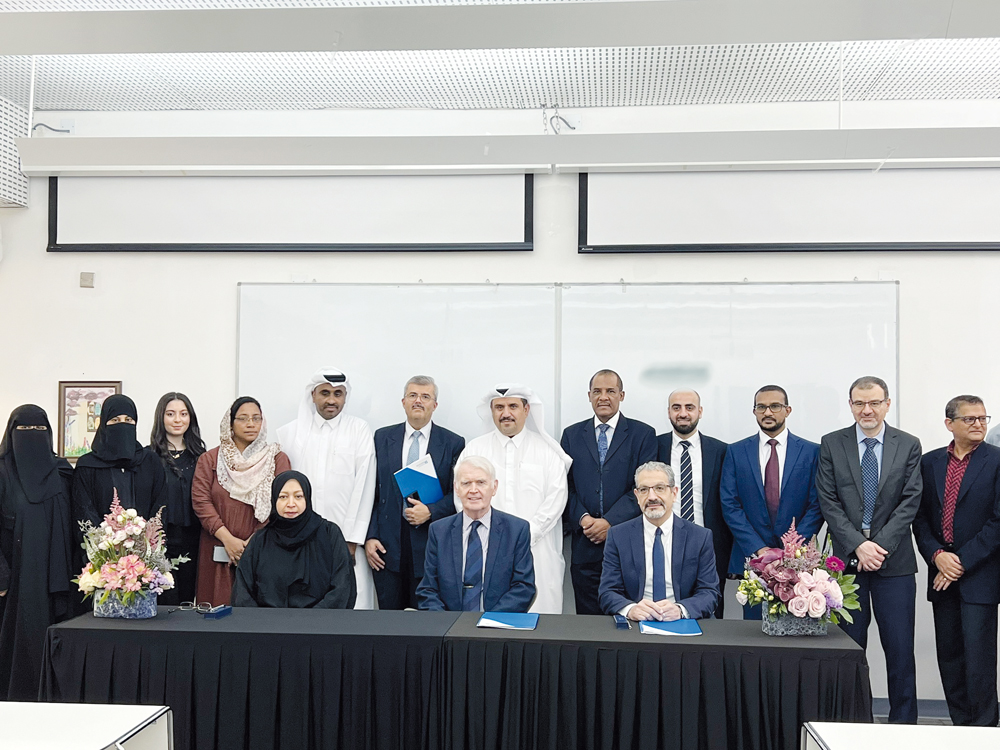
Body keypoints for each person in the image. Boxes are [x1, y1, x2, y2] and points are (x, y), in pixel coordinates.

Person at [816, 375, 921, 724]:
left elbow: (910, 502)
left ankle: (903, 725)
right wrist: (859, 545)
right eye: (859, 403)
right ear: (850, 405)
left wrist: (877, 547)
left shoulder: (908, 444)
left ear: (887, 404)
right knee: (848, 649)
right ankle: (851, 721)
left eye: (874, 402)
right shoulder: (832, 443)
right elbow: (828, 502)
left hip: (895, 564)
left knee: (900, 650)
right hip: (846, 564)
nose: (867, 409)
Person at [912, 395, 1000, 726]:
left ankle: (985, 731)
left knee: (979, 661)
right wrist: (936, 555)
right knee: (949, 658)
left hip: (979, 577)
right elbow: (919, 519)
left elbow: (997, 522)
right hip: (941, 576)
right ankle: (960, 728)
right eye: (970, 419)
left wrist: (958, 562)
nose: (979, 424)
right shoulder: (930, 462)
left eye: (983, 418)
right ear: (950, 424)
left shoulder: (997, 460)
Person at [458, 384, 570, 614]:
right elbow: (462, 495)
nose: (505, 413)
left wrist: (524, 536)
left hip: (538, 549)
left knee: (540, 618)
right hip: (484, 546)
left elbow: (557, 498)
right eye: (499, 407)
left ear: (526, 410)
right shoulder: (474, 449)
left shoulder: (547, 451)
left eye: (512, 406)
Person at [720, 385, 822, 619]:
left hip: (799, 560)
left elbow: (817, 505)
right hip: (753, 559)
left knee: (797, 633)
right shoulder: (736, 452)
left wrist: (792, 547)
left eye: (775, 406)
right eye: (761, 407)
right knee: (755, 634)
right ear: (754, 411)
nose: (768, 412)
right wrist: (759, 549)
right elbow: (730, 504)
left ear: (787, 410)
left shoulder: (811, 452)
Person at [278, 367, 377, 609]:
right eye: (325, 393)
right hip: (301, 541)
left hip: (346, 539)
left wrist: (351, 540)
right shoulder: (289, 433)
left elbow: (365, 485)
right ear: (313, 395)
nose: (331, 400)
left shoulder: (359, 430)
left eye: (338, 393)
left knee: (353, 605)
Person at [560, 369, 656, 614]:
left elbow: (644, 488)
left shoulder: (642, 434)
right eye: (597, 392)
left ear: (621, 395)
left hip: (627, 540)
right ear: (589, 396)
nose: (603, 397)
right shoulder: (571, 435)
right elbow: (564, 487)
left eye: (610, 391)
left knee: (628, 616)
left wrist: (610, 522)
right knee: (588, 620)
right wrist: (584, 519)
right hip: (585, 542)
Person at [366, 376, 464, 610]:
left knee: (426, 621)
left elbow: (459, 494)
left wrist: (431, 511)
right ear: (403, 402)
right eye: (412, 395)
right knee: (389, 623)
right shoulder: (381, 437)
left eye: (425, 396)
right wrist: (369, 537)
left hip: (431, 544)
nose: (418, 401)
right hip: (387, 548)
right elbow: (370, 491)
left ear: (435, 405)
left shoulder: (453, 442)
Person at [0, 405, 75, 701]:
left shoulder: (62, 471)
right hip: (15, 579)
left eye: (39, 430)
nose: (32, 436)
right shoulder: (2, 471)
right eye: (24, 430)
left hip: (57, 574)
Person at [192, 397, 291, 606]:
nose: (251, 424)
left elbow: (281, 503)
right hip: (218, 545)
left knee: (258, 616)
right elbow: (201, 502)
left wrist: (252, 543)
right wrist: (229, 540)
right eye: (243, 418)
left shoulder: (277, 458)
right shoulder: (210, 459)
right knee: (216, 611)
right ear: (230, 423)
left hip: (263, 547)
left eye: (256, 418)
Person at [598, 461, 719, 620]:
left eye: (660, 488)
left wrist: (680, 609)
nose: (652, 497)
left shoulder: (699, 537)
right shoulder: (618, 536)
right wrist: (631, 609)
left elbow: (709, 593)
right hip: (637, 623)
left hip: (683, 622)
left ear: (674, 493)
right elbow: (607, 592)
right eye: (644, 490)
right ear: (637, 495)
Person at [417, 456, 534, 612]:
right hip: (449, 627)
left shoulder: (517, 530)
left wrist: (488, 623)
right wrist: (447, 624)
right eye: (466, 483)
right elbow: (428, 589)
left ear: (494, 487)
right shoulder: (439, 531)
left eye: (481, 483)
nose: (473, 490)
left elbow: (523, 588)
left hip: (496, 628)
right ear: (456, 489)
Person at [232, 470, 356, 609]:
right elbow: (243, 592)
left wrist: (313, 622)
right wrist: (262, 624)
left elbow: (343, 586)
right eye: (283, 497)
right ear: (274, 499)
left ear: (307, 499)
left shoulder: (329, 534)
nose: (291, 504)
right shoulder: (260, 541)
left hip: (320, 625)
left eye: (298, 496)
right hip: (268, 625)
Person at [656, 389, 729, 617]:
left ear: (700, 411)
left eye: (689, 407)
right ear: (668, 412)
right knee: (663, 608)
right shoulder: (653, 446)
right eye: (676, 408)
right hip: (661, 542)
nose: (683, 413)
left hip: (709, 545)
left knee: (711, 608)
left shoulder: (721, 450)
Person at [72, 394, 168, 526]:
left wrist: (146, 539)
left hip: (146, 544)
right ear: (104, 424)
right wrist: (104, 540)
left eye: (128, 420)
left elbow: (160, 506)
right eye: (115, 420)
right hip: (101, 544)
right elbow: (84, 510)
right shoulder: (87, 465)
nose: (122, 425)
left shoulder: (150, 461)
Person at [148, 392, 206, 604]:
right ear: (161, 418)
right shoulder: (148, 457)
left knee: (188, 600)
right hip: (159, 541)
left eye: (183, 413)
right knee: (163, 598)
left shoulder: (201, 456)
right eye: (170, 414)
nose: (178, 419)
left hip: (194, 538)